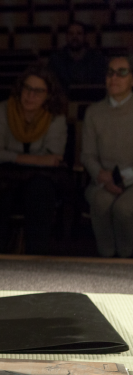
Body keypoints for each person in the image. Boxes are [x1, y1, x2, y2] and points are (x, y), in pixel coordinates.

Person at [0, 64, 68, 254]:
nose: (31, 95)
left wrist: (12, 157)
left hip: (41, 177)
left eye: (38, 91)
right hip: (3, 175)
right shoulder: (2, 111)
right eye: (27, 89)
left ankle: (36, 261)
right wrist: (37, 160)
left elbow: (53, 158)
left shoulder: (56, 117)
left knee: (40, 191)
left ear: (49, 94)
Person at [82, 55, 133, 258]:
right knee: (101, 203)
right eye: (110, 72)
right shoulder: (94, 112)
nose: (114, 77)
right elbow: (87, 154)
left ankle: (126, 260)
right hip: (103, 180)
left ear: (132, 79)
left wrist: (123, 178)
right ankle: (106, 260)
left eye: (122, 72)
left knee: (123, 209)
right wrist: (101, 176)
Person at [49, 21, 106, 89]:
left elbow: (100, 85)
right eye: (71, 34)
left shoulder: (97, 59)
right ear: (66, 37)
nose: (74, 37)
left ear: (85, 36)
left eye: (79, 33)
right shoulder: (56, 60)